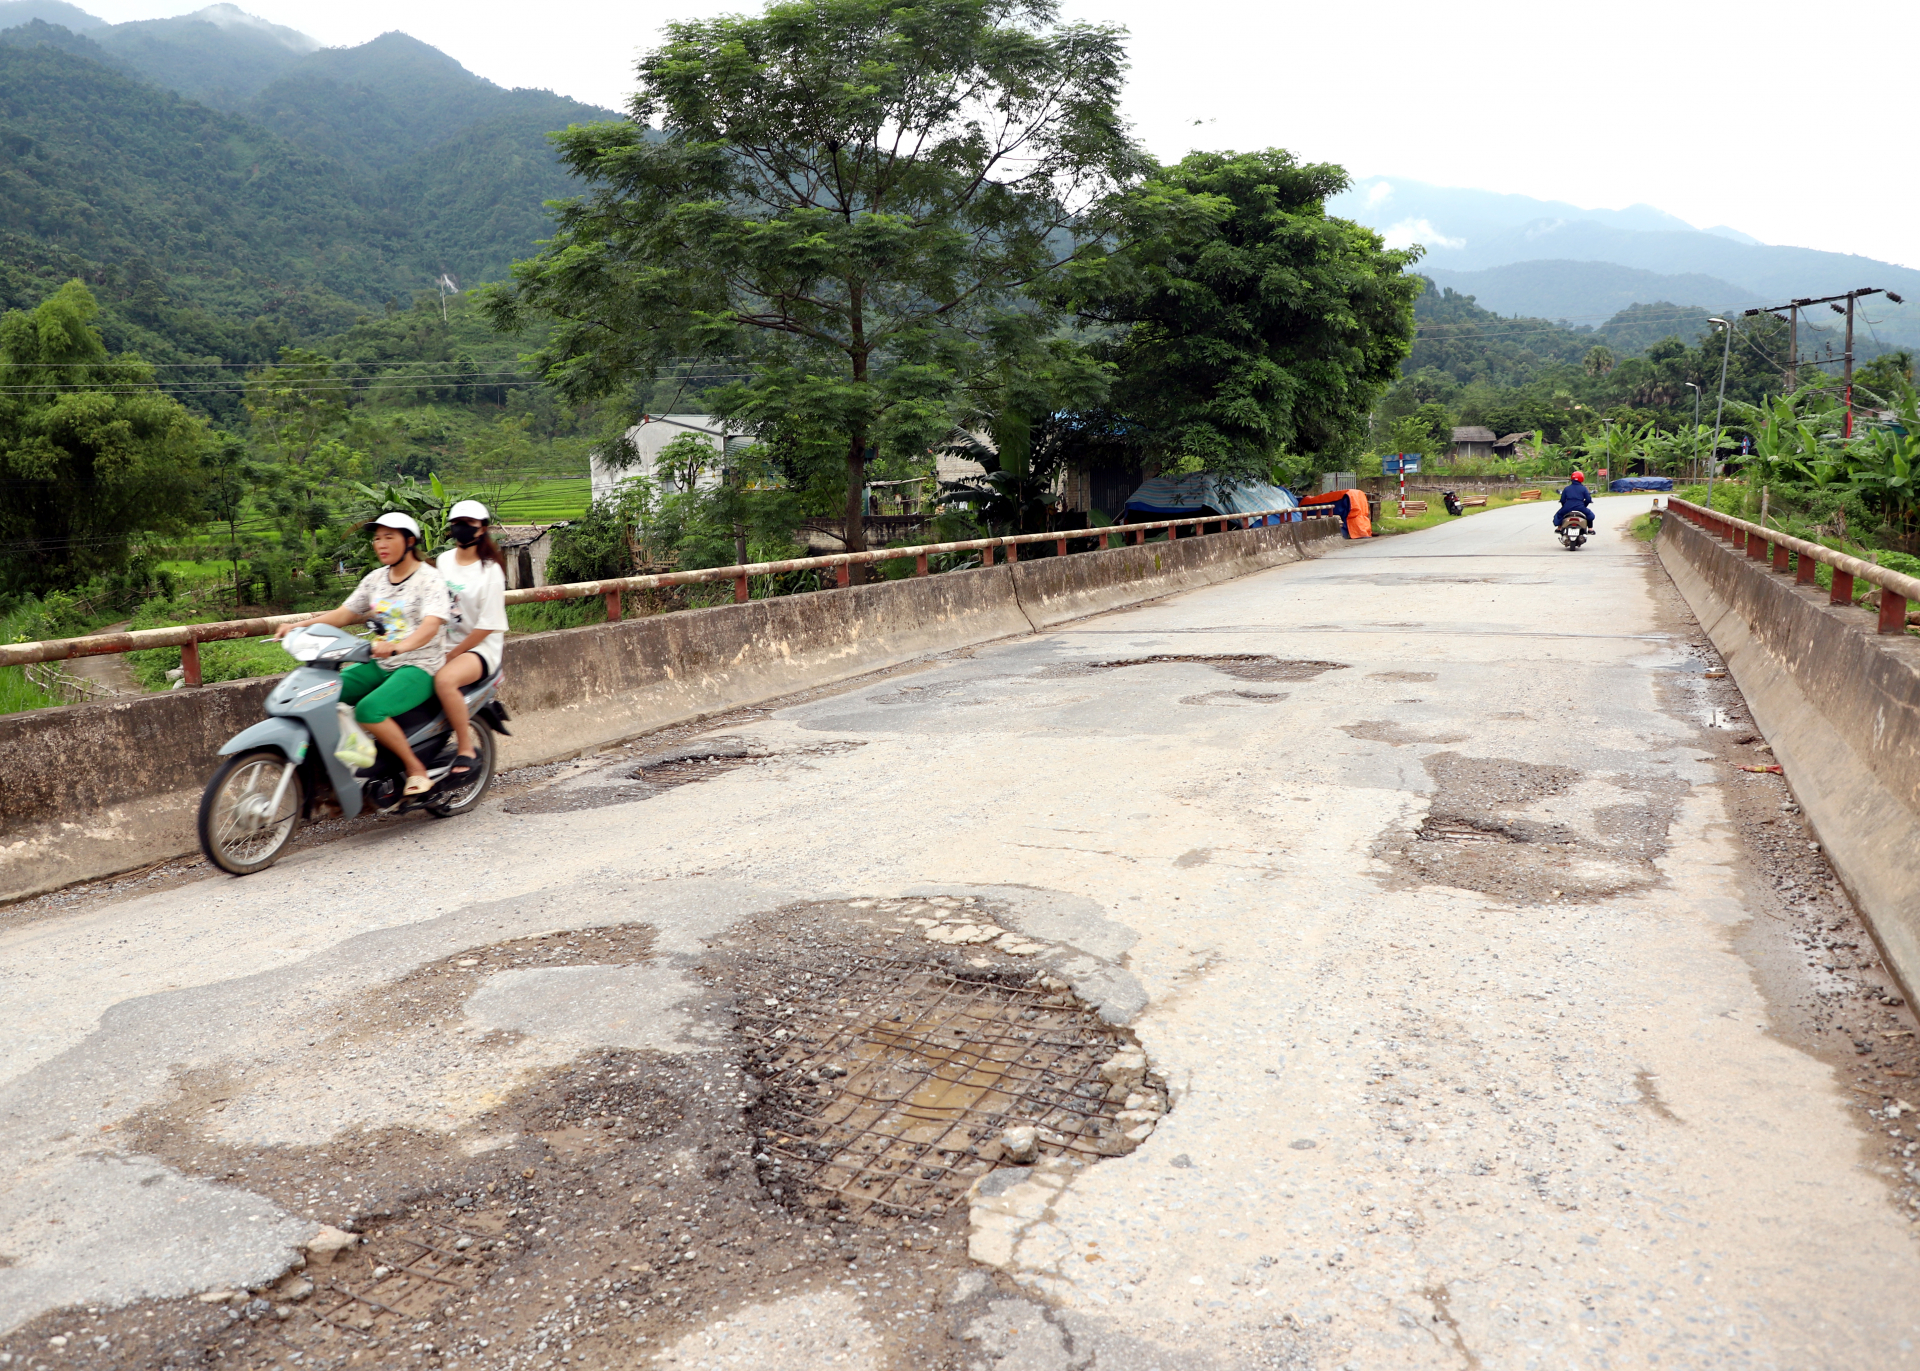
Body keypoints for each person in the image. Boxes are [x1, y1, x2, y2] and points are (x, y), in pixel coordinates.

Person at [277, 512, 450, 796]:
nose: (380, 544)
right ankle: (337, 771)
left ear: (409, 541)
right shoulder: (375, 579)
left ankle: (415, 769)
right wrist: (297, 626)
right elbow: (343, 614)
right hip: (381, 662)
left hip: (419, 665)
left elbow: (431, 625)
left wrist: (400, 646)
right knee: (321, 694)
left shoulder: (429, 579)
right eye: (377, 538)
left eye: (389, 537)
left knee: (369, 710)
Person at [433, 499, 509, 781]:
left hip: (478, 649)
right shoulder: (442, 562)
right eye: (456, 524)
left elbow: (487, 626)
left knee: (444, 680)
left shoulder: (490, 571)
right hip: (442, 643)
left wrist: (453, 654)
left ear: (482, 530)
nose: (461, 529)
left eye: (468, 525)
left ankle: (466, 747)